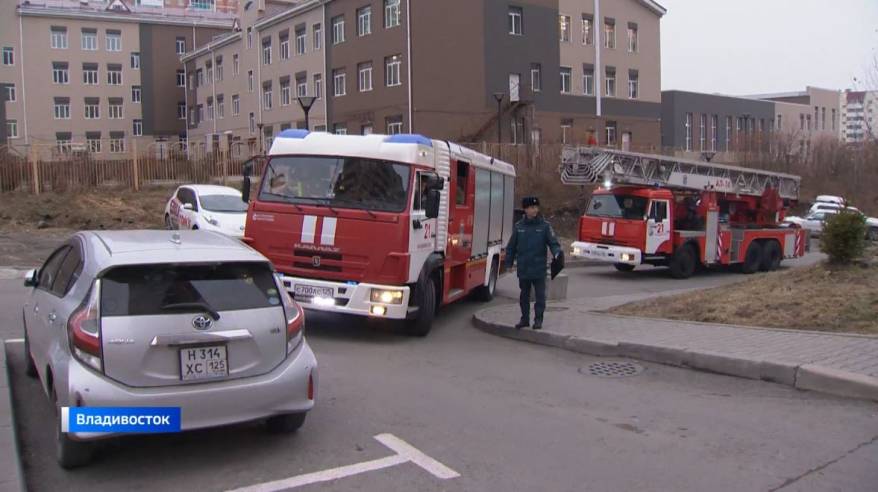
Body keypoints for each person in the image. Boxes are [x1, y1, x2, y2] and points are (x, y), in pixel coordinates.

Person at [504, 196, 562, 330]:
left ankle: (538, 320)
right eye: (531, 207)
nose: (534, 210)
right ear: (525, 209)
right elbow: (511, 247)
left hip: (539, 268)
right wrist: (508, 263)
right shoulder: (519, 227)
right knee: (524, 295)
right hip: (524, 267)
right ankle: (524, 319)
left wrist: (557, 253)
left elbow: (553, 243)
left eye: (536, 207)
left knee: (540, 296)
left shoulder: (545, 226)